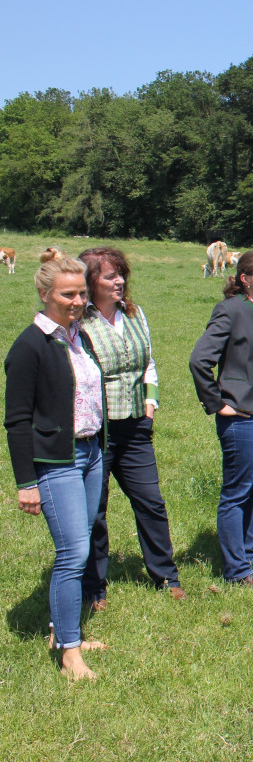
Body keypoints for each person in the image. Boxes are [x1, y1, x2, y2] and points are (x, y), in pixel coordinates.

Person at [4, 256, 107, 679]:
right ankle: (69, 652)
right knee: (73, 553)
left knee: (79, 549)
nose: (78, 300)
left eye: (82, 293)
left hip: (90, 453)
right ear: (45, 294)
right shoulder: (29, 346)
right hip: (56, 461)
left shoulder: (78, 337)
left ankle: (65, 632)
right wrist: (26, 481)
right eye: (68, 294)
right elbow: (16, 420)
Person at [78, 247, 186, 607]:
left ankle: (166, 574)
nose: (120, 281)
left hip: (136, 426)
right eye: (110, 276)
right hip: (97, 430)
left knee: (151, 501)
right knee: (95, 509)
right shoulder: (79, 322)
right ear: (90, 280)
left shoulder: (135, 315)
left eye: (121, 274)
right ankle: (95, 587)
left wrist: (151, 406)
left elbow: (149, 364)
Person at [189, 250, 253, 587]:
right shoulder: (230, 310)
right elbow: (200, 360)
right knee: (236, 492)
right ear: (245, 279)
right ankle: (237, 571)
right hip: (243, 416)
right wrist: (217, 403)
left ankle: (247, 557)